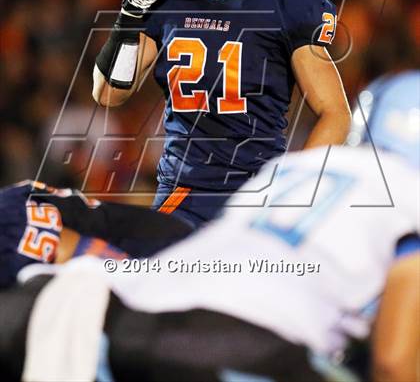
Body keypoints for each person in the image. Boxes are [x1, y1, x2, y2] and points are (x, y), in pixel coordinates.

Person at [0, 70, 418, 382]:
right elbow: (395, 360)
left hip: (114, 309)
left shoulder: (294, 168)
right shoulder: (408, 193)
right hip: (240, 341)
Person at [92, 0, 351, 228]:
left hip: (257, 192)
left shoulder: (284, 1)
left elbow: (335, 113)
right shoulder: (167, 1)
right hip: (183, 193)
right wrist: (130, 14)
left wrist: (291, 190)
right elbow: (107, 93)